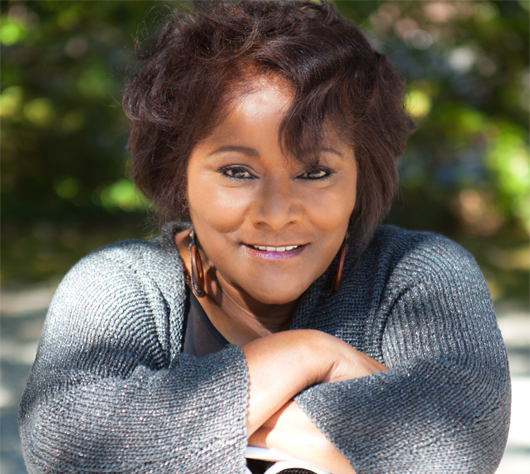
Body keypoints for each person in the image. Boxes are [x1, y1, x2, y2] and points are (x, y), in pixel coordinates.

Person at [19, 2, 510, 473]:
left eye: (315, 173)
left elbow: (460, 442)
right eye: (237, 171)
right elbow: (67, 444)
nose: (276, 215)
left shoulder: (417, 274)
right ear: (179, 176)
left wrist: (170, 434)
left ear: (361, 177)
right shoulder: (119, 284)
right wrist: (309, 353)